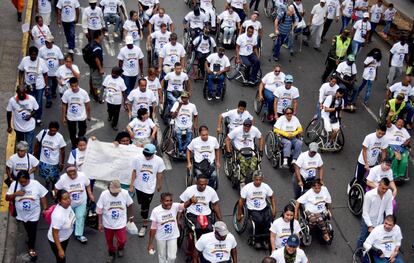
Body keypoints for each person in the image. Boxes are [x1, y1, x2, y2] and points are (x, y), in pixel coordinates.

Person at [6, 171, 48, 260]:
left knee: (32, 231)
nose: (23, 184)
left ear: (29, 179)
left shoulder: (36, 184)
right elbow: (7, 198)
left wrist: (45, 209)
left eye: (25, 181)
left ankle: (31, 248)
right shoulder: (14, 184)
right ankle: (29, 237)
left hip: (34, 214)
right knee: (28, 228)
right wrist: (15, 194)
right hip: (21, 215)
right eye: (21, 182)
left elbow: (43, 196)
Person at [129, 144, 165, 237]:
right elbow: (134, 171)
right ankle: (143, 212)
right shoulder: (137, 158)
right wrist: (132, 184)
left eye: (149, 155)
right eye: (145, 155)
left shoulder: (159, 161)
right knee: (141, 203)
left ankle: (144, 226)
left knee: (145, 207)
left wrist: (159, 185)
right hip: (138, 186)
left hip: (149, 188)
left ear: (154, 153)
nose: (147, 157)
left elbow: (160, 173)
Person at [148, 193, 193, 263]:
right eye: (166, 201)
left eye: (170, 200)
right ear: (161, 201)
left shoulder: (175, 206)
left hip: (173, 235)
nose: (169, 203)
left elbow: (184, 205)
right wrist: (150, 243)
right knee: (162, 256)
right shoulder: (156, 211)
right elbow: (153, 228)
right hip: (161, 237)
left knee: (172, 257)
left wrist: (191, 201)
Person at [97, 180, 134, 263]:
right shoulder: (104, 195)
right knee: (109, 240)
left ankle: (120, 247)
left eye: (117, 192)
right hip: (108, 223)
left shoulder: (124, 193)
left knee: (122, 240)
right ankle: (111, 253)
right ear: (108, 188)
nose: (116, 194)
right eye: (113, 192)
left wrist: (131, 216)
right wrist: (100, 223)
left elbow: (130, 204)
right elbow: (99, 209)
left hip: (121, 222)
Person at [55, 165, 94, 243]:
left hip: (81, 201)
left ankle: (79, 234)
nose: (72, 175)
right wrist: (59, 199)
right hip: (68, 203)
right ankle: (66, 231)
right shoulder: (63, 178)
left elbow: (88, 184)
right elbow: (56, 188)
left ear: (76, 171)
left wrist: (90, 194)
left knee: (80, 217)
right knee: (69, 218)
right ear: (67, 173)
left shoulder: (82, 176)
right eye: (70, 174)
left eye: (74, 173)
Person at [238, 171, 276, 248]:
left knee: (268, 220)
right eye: (256, 180)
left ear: (262, 179)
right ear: (253, 179)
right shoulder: (247, 188)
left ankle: (265, 239)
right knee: (259, 220)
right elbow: (241, 201)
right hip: (252, 209)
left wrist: (274, 209)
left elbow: (272, 198)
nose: (258, 182)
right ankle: (257, 240)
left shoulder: (265, 187)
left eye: (260, 180)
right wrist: (239, 213)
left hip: (264, 207)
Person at [225, 118, 264, 187]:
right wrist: (228, 151)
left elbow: (261, 138)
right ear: (243, 125)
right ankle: (242, 182)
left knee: (255, 163)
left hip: (251, 151)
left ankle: (253, 178)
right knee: (242, 163)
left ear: (251, 126)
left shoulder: (254, 130)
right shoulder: (237, 130)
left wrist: (261, 150)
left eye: (248, 127)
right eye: (245, 127)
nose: (247, 128)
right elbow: (227, 139)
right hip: (239, 150)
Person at [348, 125, 387, 190]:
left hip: (373, 163)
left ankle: (361, 193)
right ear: (376, 130)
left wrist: (382, 163)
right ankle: (350, 186)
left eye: (383, 134)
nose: (381, 135)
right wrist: (366, 163)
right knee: (358, 178)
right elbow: (364, 151)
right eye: (379, 133)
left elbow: (383, 152)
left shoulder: (384, 139)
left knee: (368, 179)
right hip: (362, 162)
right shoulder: (369, 137)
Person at [357, 178, 393, 248]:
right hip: (368, 221)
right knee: (362, 238)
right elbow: (365, 212)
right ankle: (358, 253)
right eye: (383, 188)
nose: (384, 191)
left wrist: (389, 221)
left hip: (379, 221)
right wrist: (370, 226)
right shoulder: (369, 195)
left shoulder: (389, 193)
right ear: (379, 185)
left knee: (376, 240)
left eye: (386, 189)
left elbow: (389, 208)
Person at [18, 46, 48, 123]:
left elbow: (45, 74)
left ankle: (38, 117)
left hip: (39, 85)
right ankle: (31, 114)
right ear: (29, 54)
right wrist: (21, 83)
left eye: (35, 54)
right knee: (30, 102)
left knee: (38, 102)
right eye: (32, 54)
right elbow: (21, 71)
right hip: (28, 85)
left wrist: (46, 86)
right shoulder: (25, 60)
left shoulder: (41, 61)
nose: (33, 56)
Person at [295, 179, 332, 243]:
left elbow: (328, 201)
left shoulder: (324, 189)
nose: (317, 190)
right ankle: (322, 233)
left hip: (321, 210)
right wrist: (295, 214)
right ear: (312, 187)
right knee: (315, 220)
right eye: (316, 188)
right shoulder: (309, 193)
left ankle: (324, 233)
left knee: (319, 218)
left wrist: (329, 211)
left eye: (319, 188)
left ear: (321, 186)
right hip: (310, 210)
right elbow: (298, 201)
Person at [34, 121, 66, 191]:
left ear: (57, 130)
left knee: (54, 179)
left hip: (53, 162)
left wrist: (62, 163)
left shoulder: (60, 137)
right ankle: (47, 183)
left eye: (55, 131)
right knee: (46, 176)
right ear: (49, 128)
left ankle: (53, 189)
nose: (53, 132)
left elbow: (62, 151)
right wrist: (35, 155)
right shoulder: (43, 133)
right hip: (43, 161)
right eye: (51, 130)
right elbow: (37, 144)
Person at [6, 85, 39, 153]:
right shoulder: (12, 100)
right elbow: (9, 112)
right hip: (18, 127)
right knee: (21, 144)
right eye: (19, 93)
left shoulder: (31, 99)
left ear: (25, 92)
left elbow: (36, 109)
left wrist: (30, 116)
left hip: (30, 127)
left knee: (28, 145)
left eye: (23, 93)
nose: (21, 95)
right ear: (16, 92)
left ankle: (28, 158)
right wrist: (9, 126)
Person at [61, 77, 91, 149]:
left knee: (82, 131)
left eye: (75, 85)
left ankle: (80, 142)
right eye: (72, 86)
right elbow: (64, 105)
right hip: (71, 117)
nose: (74, 88)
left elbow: (87, 105)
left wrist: (89, 115)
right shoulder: (67, 93)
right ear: (70, 85)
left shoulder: (83, 93)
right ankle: (74, 145)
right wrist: (63, 117)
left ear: (78, 84)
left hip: (81, 117)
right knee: (72, 133)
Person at [48, 190, 75, 263]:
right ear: (59, 201)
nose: (68, 200)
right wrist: (60, 249)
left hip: (65, 237)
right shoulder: (58, 215)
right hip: (58, 241)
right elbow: (55, 234)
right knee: (61, 259)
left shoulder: (67, 206)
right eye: (65, 199)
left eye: (69, 197)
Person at [171, 91, 198, 157]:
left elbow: (196, 116)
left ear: (188, 97)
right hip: (178, 126)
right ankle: (180, 150)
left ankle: (184, 149)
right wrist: (179, 107)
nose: (183, 99)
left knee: (189, 138)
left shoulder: (192, 106)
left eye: (185, 97)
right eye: (182, 97)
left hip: (188, 126)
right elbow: (173, 116)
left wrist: (195, 125)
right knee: (178, 136)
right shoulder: (176, 104)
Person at [39, 35, 64, 108]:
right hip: (47, 73)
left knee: (54, 85)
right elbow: (39, 60)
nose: (47, 43)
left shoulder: (57, 49)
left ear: (52, 42)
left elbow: (61, 58)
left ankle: (53, 92)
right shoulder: (41, 50)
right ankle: (49, 100)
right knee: (48, 86)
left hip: (55, 72)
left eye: (49, 42)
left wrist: (61, 70)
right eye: (46, 42)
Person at [89, 30, 105, 102]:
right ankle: (97, 96)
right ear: (98, 36)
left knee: (92, 79)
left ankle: (92, 91)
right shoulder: (96, 47)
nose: (102, 36)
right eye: (101, 34)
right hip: (96, 68)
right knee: (96, 82)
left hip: (92, 66)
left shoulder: (93, 43)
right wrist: (100, 68)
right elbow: (96, 59)